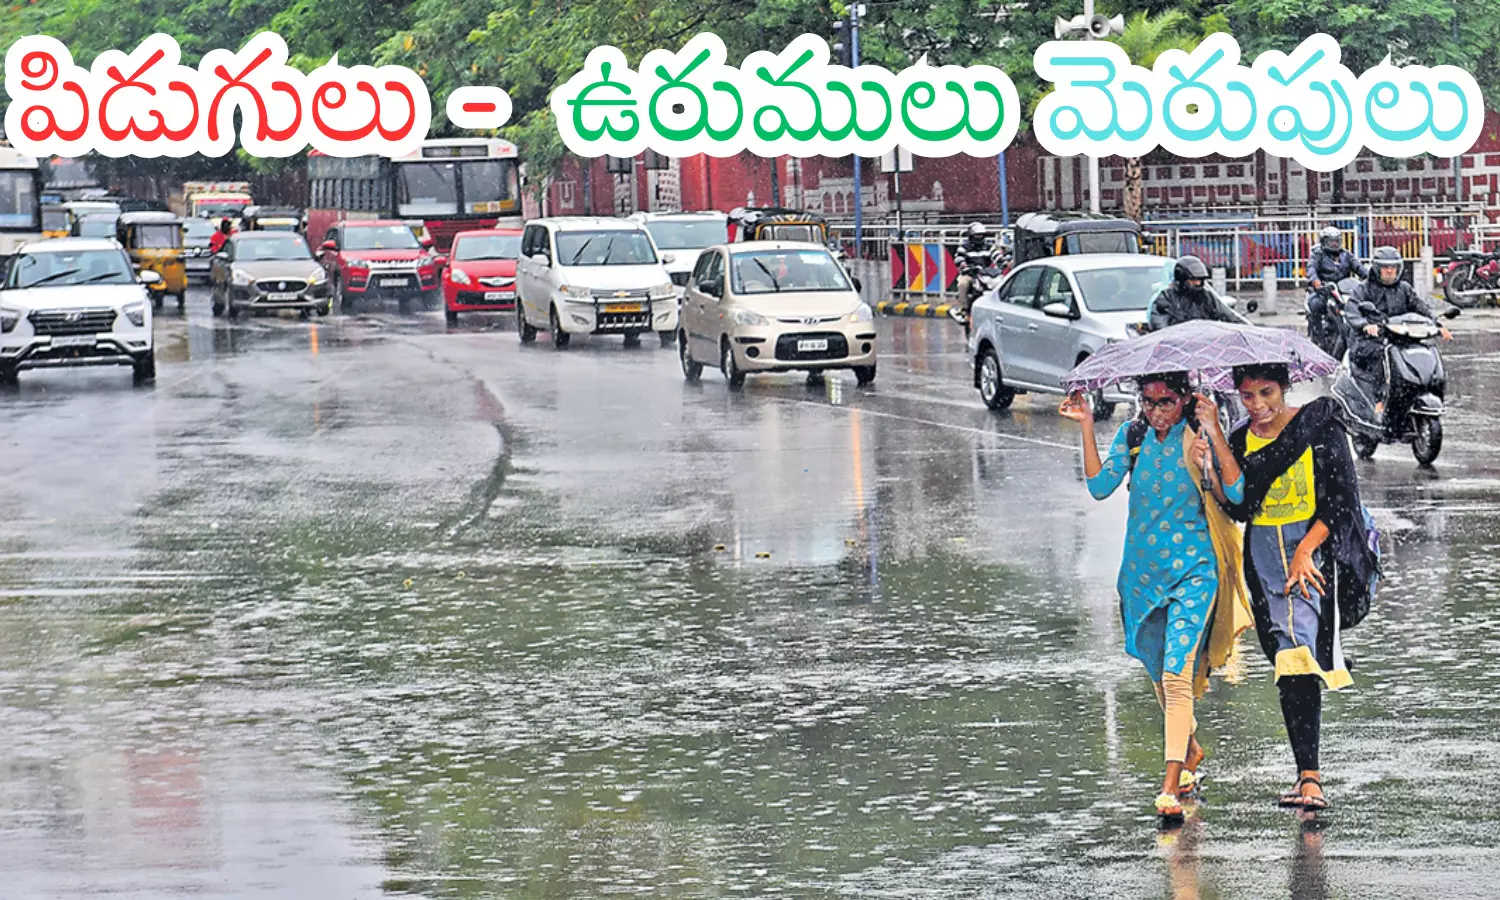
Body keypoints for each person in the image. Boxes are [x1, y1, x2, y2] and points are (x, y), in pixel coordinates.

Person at [1061, 374, 1250, 822]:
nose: (1156, 411)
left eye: (1166, 402)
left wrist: (1213, 452)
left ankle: (1170, 782)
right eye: (1147, 402)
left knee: (1177, 672)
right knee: (1160, 676)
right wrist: (1087, 423)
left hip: (1194, 574)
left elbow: (1238, 496)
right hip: (1142, 578)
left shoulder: (1200, 435)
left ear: (1185, 398)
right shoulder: (1133, 435)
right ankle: (1190, 749)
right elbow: (1099, 486)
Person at [1213, 362, 1379, 812]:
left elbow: (1342, 500)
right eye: (1247, 397)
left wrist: (1306, 550)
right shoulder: (1239, 440)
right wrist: (1211, 459)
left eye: (1267, 392)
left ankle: (1310, 777)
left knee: (1297, 657)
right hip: (1263, 565)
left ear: (1285, 387)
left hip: (1313, 560)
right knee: (1285, 659)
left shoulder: (1319, 426)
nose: (1259, 406)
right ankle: (1306, 775)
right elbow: (1239, 507)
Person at [1345, 246, 1451, 409]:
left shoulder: (1404, 289)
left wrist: (1437, 324)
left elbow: (1420, 306)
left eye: (1393, 267)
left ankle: (1427, 389)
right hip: (1369, 340)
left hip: (1400, 338)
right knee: (1383, 354)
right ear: (1377, 269)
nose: (1390, 271)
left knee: (1425, 351)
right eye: (1386, 268)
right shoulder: (1363, 289)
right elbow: (1352, 311)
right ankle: (1379, 400)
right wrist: (1365, 325)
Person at [1147, 255, 1245, 332]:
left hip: (1206, 346)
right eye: (1193, 280)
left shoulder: (1207, 297)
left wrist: (1247, 329)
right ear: (1182, 279)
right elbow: (1160, 325)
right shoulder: (1167, 298)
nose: (1197, 283)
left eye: (1200, 280)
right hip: (1178, 348)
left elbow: (1227, 315)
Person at [950, 221, 993, 325]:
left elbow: (996, 255)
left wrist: (1004, 262)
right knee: (963, 284)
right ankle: (963, 310)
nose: (979, 237)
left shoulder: (988, 246)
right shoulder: (964, 247)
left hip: (985, 274)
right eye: (977, 235)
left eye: (981, 235)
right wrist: (964, 266)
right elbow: (959, 258)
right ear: (971, 236)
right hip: (969, 274)